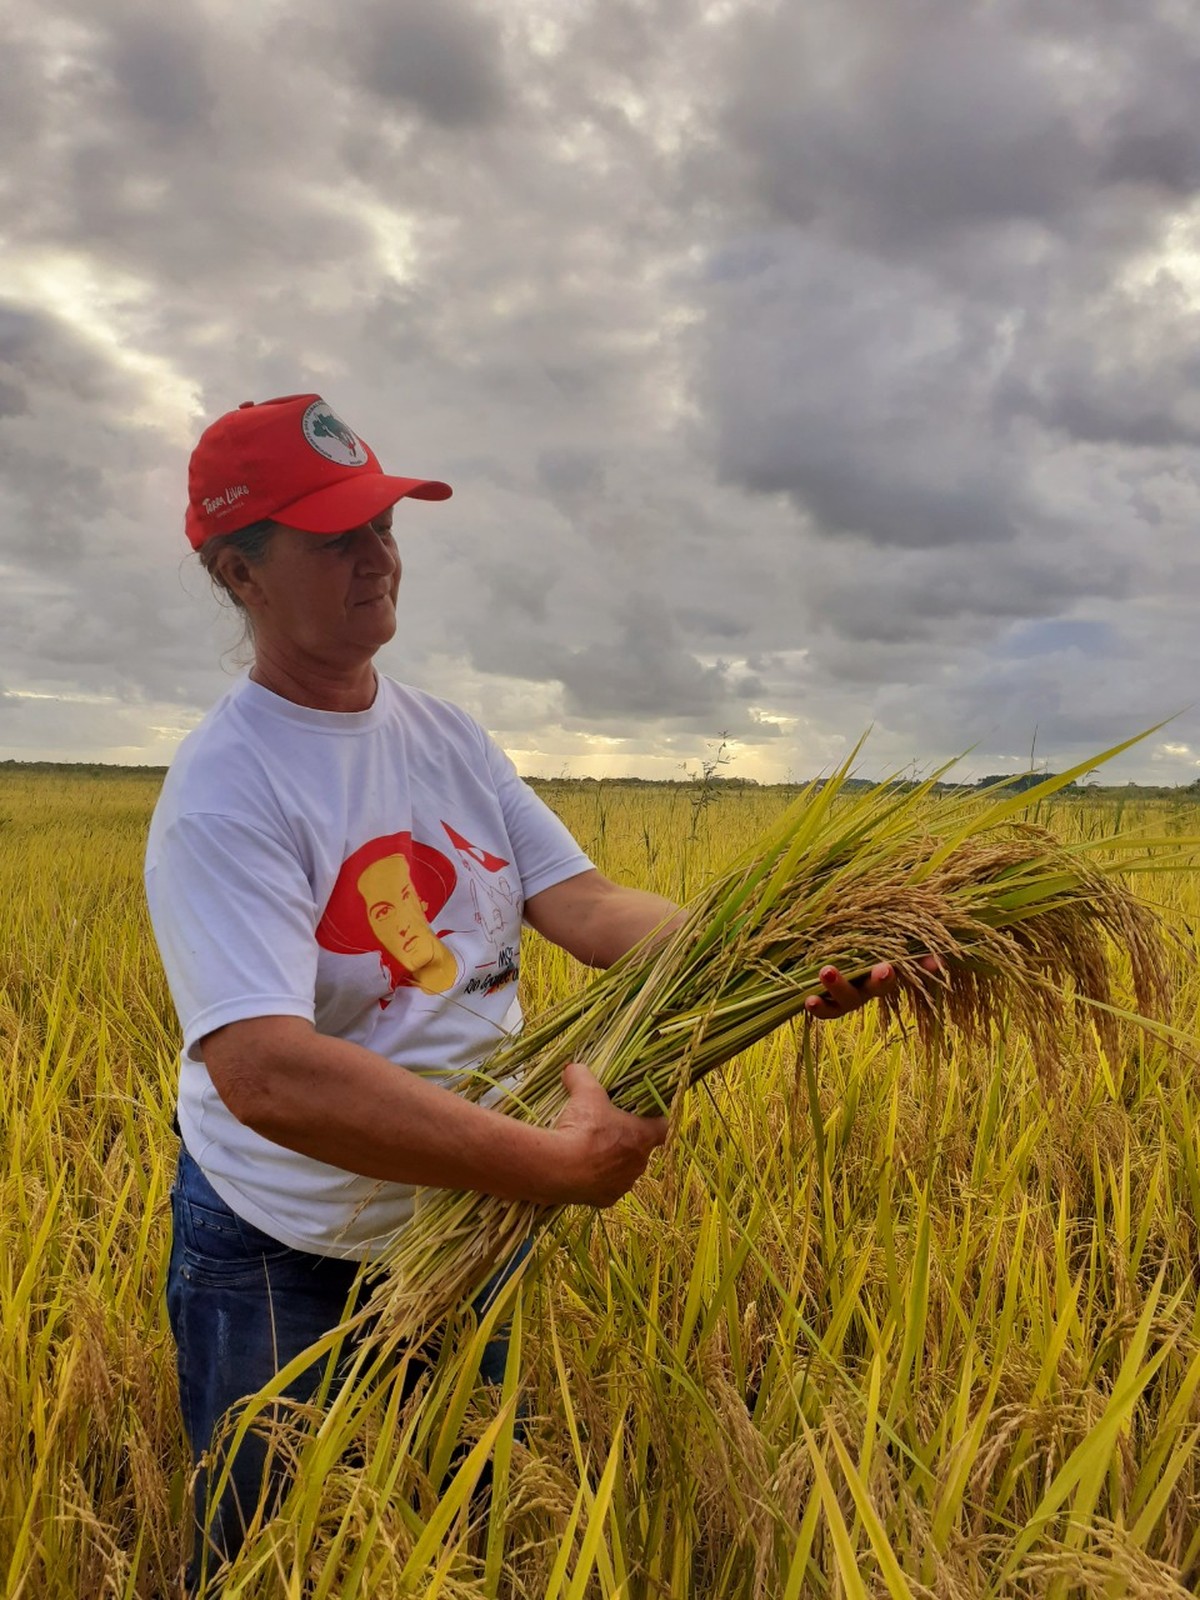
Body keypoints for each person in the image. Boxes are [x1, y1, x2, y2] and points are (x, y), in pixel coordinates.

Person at [146, 392, 911, 1587]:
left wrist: (768, 955)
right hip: (283, 1253)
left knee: (455, 1541)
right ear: (239, 573)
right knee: (273, 1563)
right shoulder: (225, 789)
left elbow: (594, 911)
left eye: (385, 524)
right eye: (335, 535)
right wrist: (551, 1167)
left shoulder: (450, 737)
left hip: (462, 1222)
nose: (378, 554)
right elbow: (264, 1070)